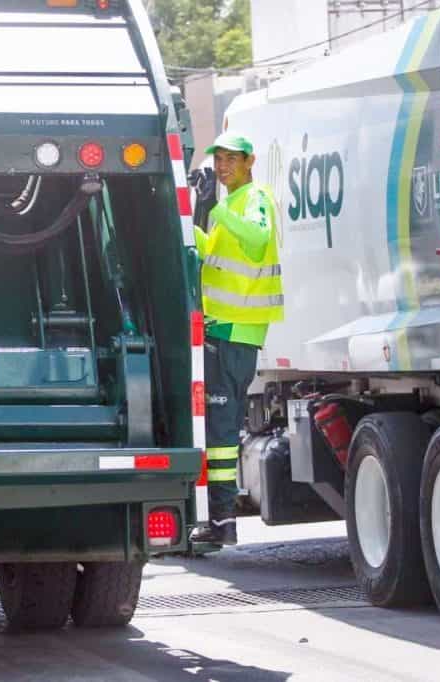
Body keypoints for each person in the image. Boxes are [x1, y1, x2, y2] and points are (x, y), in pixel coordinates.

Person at [190, 133, 284, 546]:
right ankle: (218, 519)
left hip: (236, 330)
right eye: (219, 159)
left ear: (249, 161)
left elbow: (258, 239)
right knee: (218, 427)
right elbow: (207, 257)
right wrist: (199, 211)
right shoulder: (227, 205)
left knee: (223, 429)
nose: (223, 166)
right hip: (220, 328)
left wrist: (218, 211)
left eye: (231, 159)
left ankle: (224, 521)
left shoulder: (256, 197)